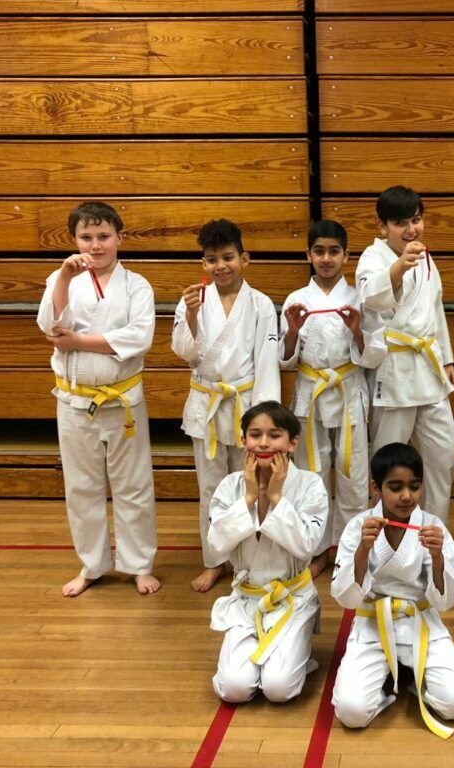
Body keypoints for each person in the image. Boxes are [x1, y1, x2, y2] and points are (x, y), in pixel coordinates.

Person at [37, 200, 160, 597]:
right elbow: (50, 327)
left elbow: (138, 338)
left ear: (119, 237)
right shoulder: (62, 279)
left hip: (123, 401)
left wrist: (77, 341)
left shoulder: (137, 285)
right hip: (74, 402)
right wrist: (62, 278)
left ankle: (138, 565)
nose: (95, 245)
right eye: (86, 237)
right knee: (82, 487)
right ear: (74, 239)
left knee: (134, 485)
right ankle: (92, 565)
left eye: (103, 236)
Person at [331, 443, 454, 738]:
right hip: (373, 621)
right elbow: (346, 597)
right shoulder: (359, 526)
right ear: (376, 487)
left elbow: (445, 601)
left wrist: (437, 556)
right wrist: (363, 549)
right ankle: (388, 687)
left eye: (414, 486)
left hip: (419, 619)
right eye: (395, 487)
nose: (406, 496)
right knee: (351, 712)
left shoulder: (432, 527)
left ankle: (414, 678)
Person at [172, 218, 280, 592]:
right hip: (206, 404)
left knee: (251, 483)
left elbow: (267, 362)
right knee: (211, 487)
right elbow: (184, 353)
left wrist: (264, 422)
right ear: (203, 263)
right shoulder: (193, 301)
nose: (221, 266)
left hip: (245, 404)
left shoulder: (261, 304)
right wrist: (189, 316)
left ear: (244, 259)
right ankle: (215, 560)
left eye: (228, 257)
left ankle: (248, 559)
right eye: (212, 259)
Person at [206, 401, 328, 703]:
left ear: (292, 443)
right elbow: (217, 545)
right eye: (255, 434)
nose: (263, 443)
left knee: (278, 689)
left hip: (293, 599)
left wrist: (276, 497)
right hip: (246, 599)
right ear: (243, 439)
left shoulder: (310, 484)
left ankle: (297, 655)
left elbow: (307, 545)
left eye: (274, 435)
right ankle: (275, 658)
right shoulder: (230, 486)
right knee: (234, 689)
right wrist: (249, 497)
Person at [279, 220, 379, 577]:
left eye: (334, 251)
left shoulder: (359, 298)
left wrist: (357, 332)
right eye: (319, 251)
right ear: (308, 254)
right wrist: (292, 331)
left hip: (348, 389)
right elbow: (285, 359)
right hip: (311, 393)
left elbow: (372, 355)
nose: (326, 258)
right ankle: (318, 549)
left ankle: (350, 548)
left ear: (346, 255)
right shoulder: (296, 300)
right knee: (312, 473)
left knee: (353, 474)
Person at [356, 185, 454, 523]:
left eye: (416, 220)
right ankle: (384, 529)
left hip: (429, 368)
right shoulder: (373, 258)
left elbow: (435, 309)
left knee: (444, 453)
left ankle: (433, 529)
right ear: (382, 225)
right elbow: (371, 297)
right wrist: (399, 266)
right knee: (387, 456)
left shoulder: (425, 256)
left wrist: (447, 358)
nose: (411, 229)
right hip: (395, 369)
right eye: (400, 223)